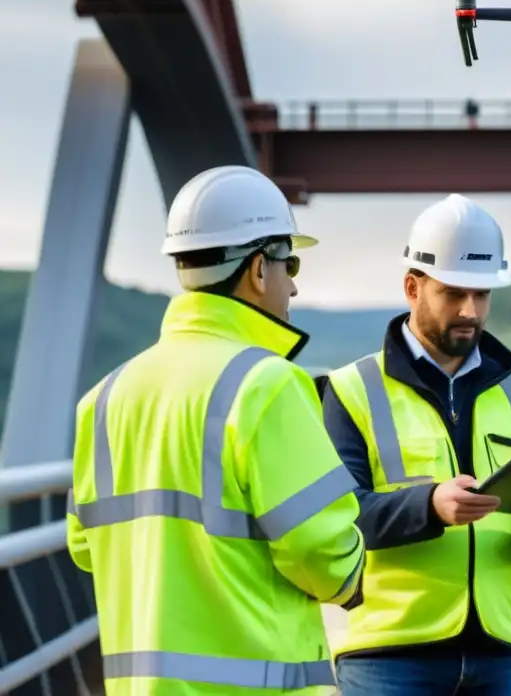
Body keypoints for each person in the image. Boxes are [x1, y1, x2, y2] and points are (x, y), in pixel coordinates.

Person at [65, 165, 366, 694]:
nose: (293, 282)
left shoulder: (104, 399)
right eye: (288, 262)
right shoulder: (265, 384)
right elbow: (322, 551)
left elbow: (84, 548)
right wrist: (352, 575)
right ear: (257, 268)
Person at [321, 194, 511, 696]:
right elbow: (336, 518)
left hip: (497, 652)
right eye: (453, 293)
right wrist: (430, 506)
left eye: (482, 295)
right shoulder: (351, 391)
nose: (470, 311)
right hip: (390, 654)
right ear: (412, 288)